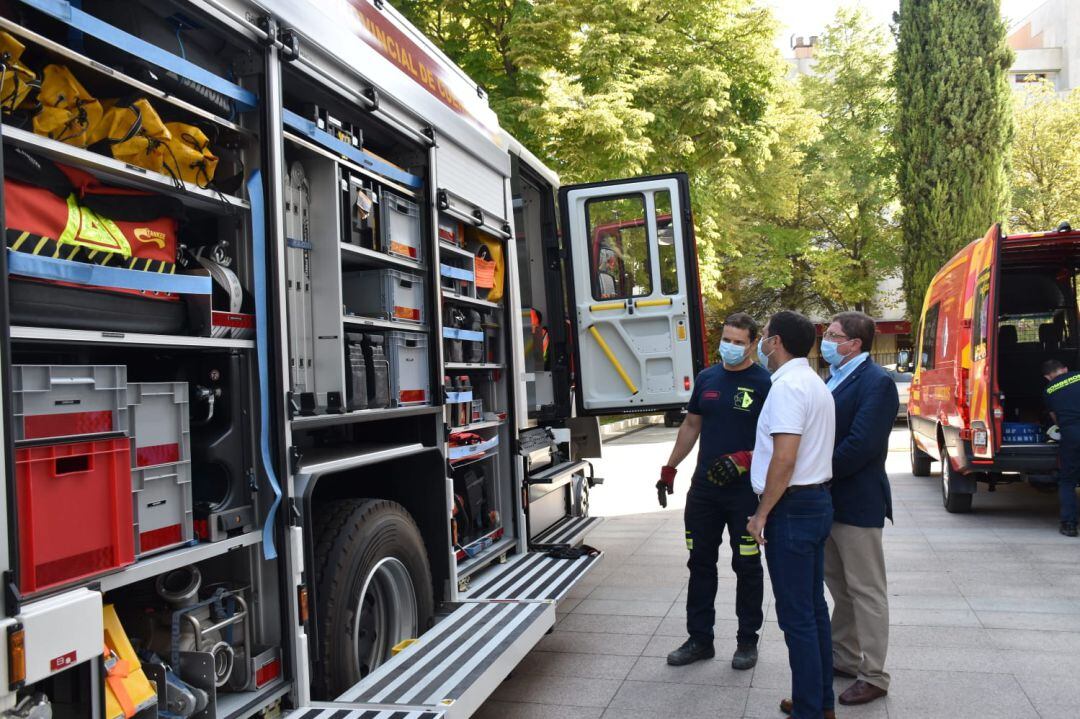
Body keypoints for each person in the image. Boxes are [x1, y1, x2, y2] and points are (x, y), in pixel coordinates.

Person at [656, 312, 771, 670]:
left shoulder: (765, 382)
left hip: (745, 494)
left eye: (739, 342)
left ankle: (747, 642)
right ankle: (700, 640)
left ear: (753, 343)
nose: (731, 347)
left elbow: (777, 438)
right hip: (704, 491)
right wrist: (670, 468)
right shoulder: (707, 378)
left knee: (747, 565)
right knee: (700, 564)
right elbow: (692, 425)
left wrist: (746, 458)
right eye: (727, 340)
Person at [745, 311, 836, 719]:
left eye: (763, 336)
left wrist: (762, 513)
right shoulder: (813, 382)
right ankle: (819, 702)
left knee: (797, 618)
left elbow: (784, 457)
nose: (761, 343)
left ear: (776, 341)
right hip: (814, 503)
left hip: (791, 509)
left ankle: (810, 711)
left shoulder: (786, 388)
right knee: (813, 611)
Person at [820, 312, 898, 707]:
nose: (827, 340)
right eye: (828, 334)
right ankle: (846, 657)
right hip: (829, 500)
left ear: (855, 343)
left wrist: (819, 471)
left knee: (867, 590)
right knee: (841, 587)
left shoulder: (877, 382)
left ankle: (874, 674)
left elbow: (862, 444)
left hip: (857, 500)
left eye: (834, 335)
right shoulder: (833, 377)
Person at [1043, 359, 1080, 537]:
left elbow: (1054, 418)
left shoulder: (1048, 390)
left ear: (1047, 377)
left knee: (1067, 481)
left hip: (1071, 435)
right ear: (1065, 369)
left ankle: (1069, 525)